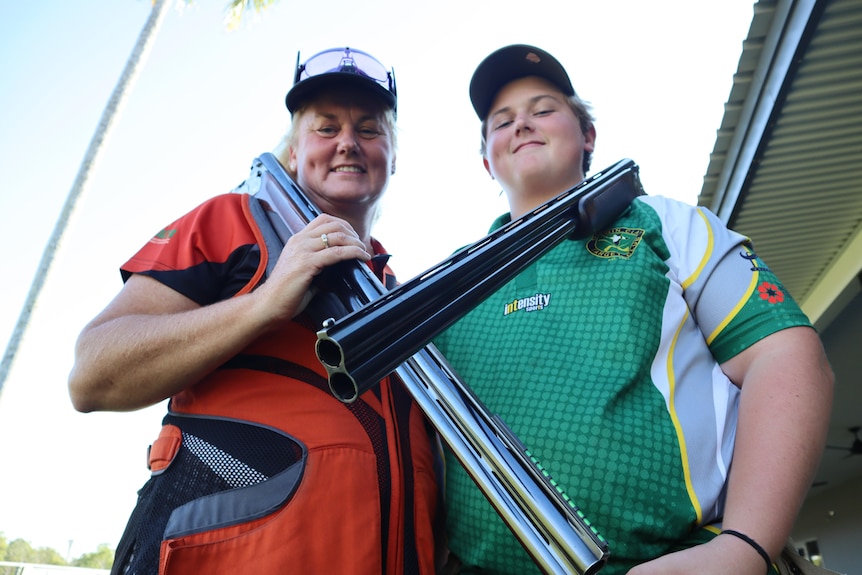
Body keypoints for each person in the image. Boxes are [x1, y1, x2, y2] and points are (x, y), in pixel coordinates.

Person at [433, 44, 834, 575]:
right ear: (488, 160)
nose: (523, 124)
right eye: (502, 122)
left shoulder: (666, 224)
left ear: (588, 136)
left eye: (544, 109)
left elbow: (787, 359)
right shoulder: (446, 285)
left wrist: (742, 548)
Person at [68, 46, 440, 575]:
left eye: (370, 129)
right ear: (293, 152)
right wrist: (266, 302)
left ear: (394, 155)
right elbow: (92, 375)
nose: (348, 143)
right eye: (326, 127)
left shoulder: (403, 295)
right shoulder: (231, 222)